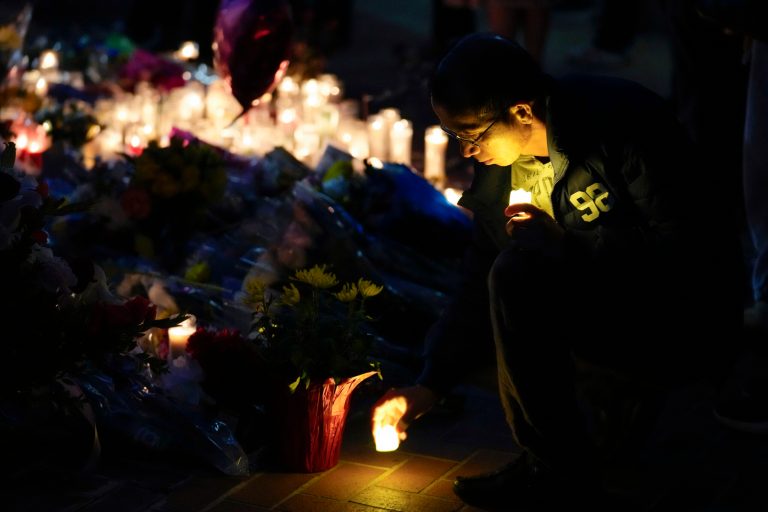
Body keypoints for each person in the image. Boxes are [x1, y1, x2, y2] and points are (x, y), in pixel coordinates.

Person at [370, 32, 742, 509]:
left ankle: (561, 469)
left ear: (522, 111)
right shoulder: (501, 168)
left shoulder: (622, 125)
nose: (465, 151)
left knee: (518, 273)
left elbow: (687, 256)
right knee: (506, 277)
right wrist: (430, 383)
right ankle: (553, 457)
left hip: (679, 314)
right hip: (595, 298)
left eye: (470, 134)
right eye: (453, 137)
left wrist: (567, 249)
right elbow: (476, 274)